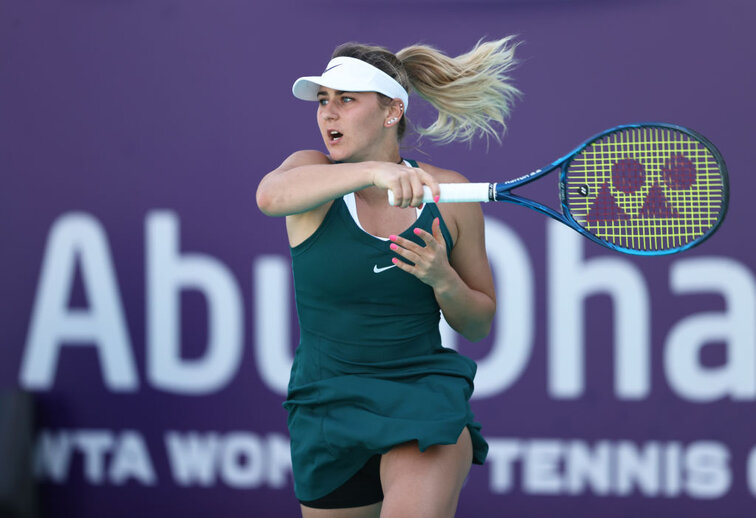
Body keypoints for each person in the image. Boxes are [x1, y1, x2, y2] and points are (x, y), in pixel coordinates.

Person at [256, 38, 520, 518]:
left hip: (420, 399)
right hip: (325, 406)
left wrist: (443, 280)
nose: (328, 114)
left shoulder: (452, 193)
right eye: (323, 101)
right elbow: (270, 197)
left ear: (391, 111)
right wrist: (375, 171)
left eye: (346, 100)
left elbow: (478, 322)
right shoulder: (309, 174)